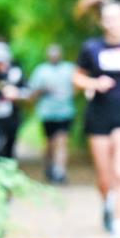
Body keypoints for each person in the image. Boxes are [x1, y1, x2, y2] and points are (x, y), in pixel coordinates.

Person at [74, 0, 120, 238]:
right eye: (108, 19)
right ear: (102, 23)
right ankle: (108, 203)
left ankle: (119, 230)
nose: (113, 23)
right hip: (100, 116)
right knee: (105, 179)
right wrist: (94, 84)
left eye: (118, 18)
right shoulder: (91, 48)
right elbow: (78, 78)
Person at [29, 44, 77, 183]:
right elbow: (33, 92)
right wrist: (43, 91)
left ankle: (60, 171)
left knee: (62, 141)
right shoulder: (41, 71)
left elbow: (77, 86)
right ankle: (50, 167)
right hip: (47, 113)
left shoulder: (69, 68)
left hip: (65, 111)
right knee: (50, 143)